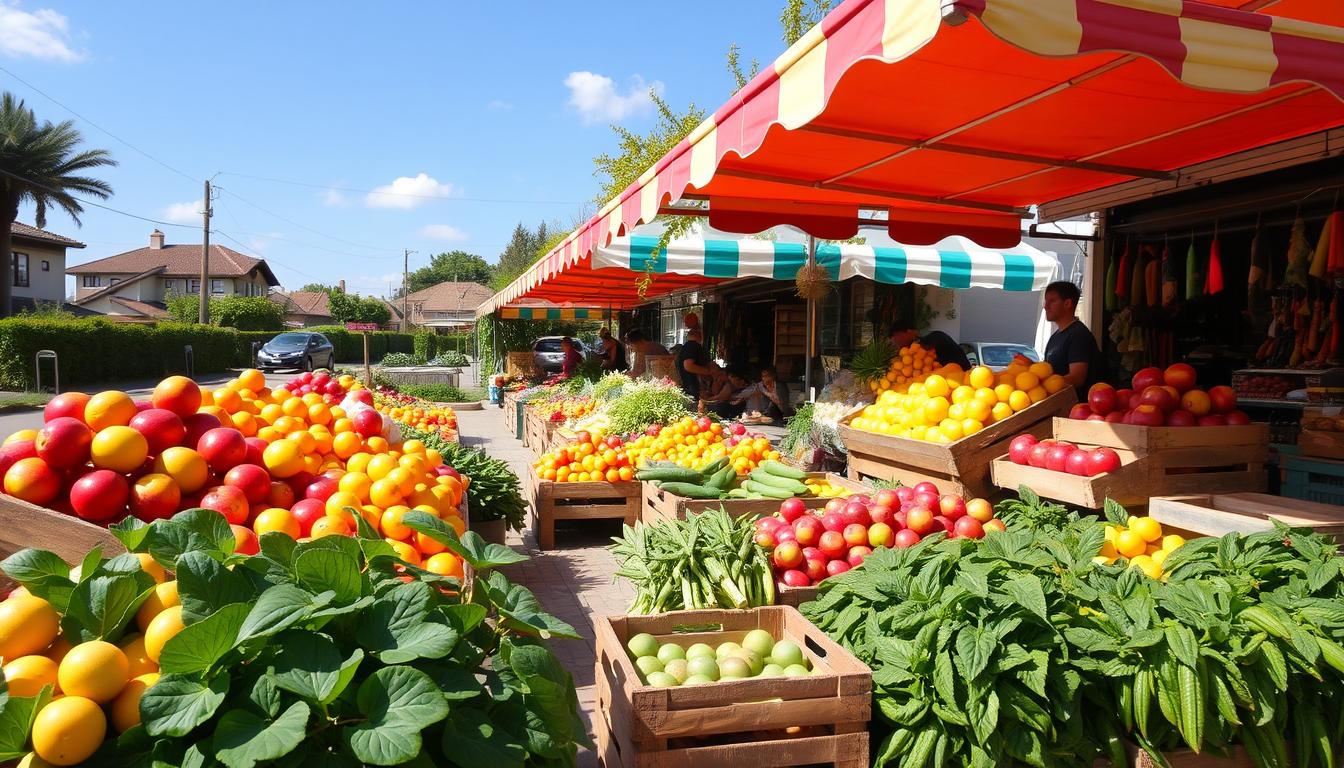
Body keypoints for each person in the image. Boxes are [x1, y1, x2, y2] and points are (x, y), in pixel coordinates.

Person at [1040, 280, 1102, 396]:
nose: (1045, 306)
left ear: (1067, 303)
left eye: (1052, 301)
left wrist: (1042, 386)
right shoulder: (1055, 336)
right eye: (1046, 301)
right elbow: (1047, 371)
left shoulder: (1078, 335)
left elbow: (1077, 377)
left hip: (1075, 410)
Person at [889, 323, 972, 371]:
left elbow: (928, 352)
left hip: (961, 376)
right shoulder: (917, 345)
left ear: (909, 331)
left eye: (898, 336)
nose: (897, 342)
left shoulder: (933, 337)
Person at [677, 328, 712, 402]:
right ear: (700, 336)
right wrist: (708, 371)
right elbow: (688, 365)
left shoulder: (686, 347)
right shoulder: (692, 346)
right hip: (692, 385)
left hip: (689, 385)